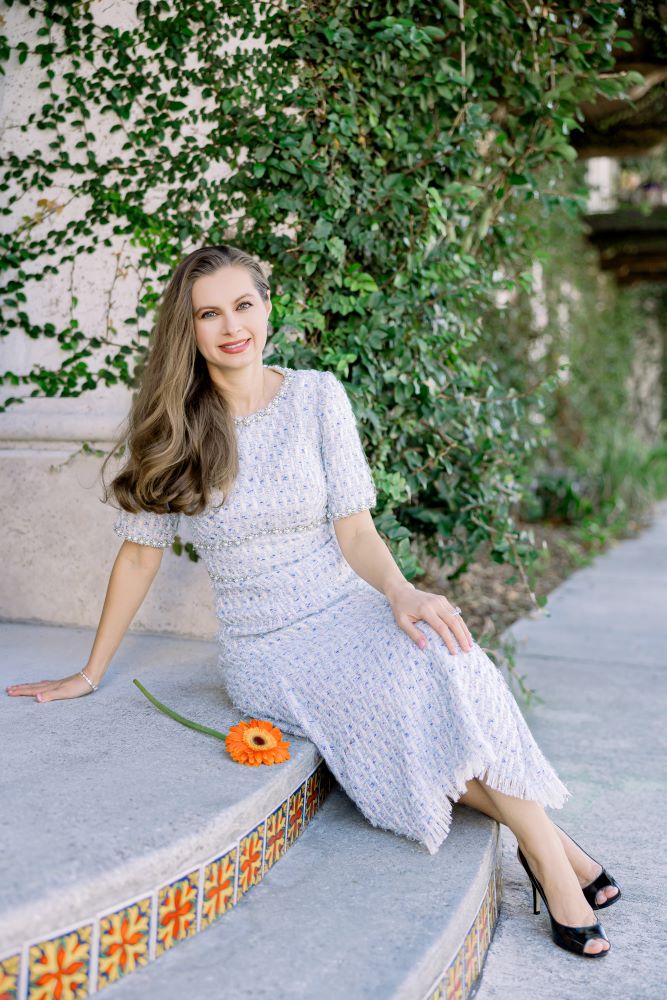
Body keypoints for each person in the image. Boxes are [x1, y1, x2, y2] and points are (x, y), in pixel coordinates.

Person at [6, 244, 620, 957]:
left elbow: (355, 530)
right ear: (188, 328)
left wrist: (400, 591)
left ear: (267, 308)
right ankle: (553, 858)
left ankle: (543, 849)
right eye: (209, 314)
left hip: (346, 605)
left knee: (446, 656)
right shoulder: (176, 427)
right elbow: (140, 555)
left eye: (243, 305)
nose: (231, 326)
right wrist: (89, 672)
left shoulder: (317, 397)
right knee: (406, 699)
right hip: (269, 649)